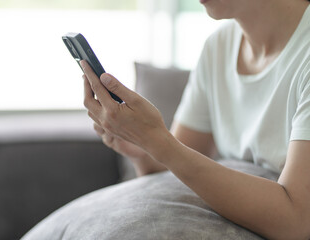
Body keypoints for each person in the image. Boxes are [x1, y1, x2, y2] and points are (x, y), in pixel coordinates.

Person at [82, 0, 310, 238]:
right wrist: (142, 149)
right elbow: (177, 166)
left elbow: (297, 221)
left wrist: (158, 142)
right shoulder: (219, 47)